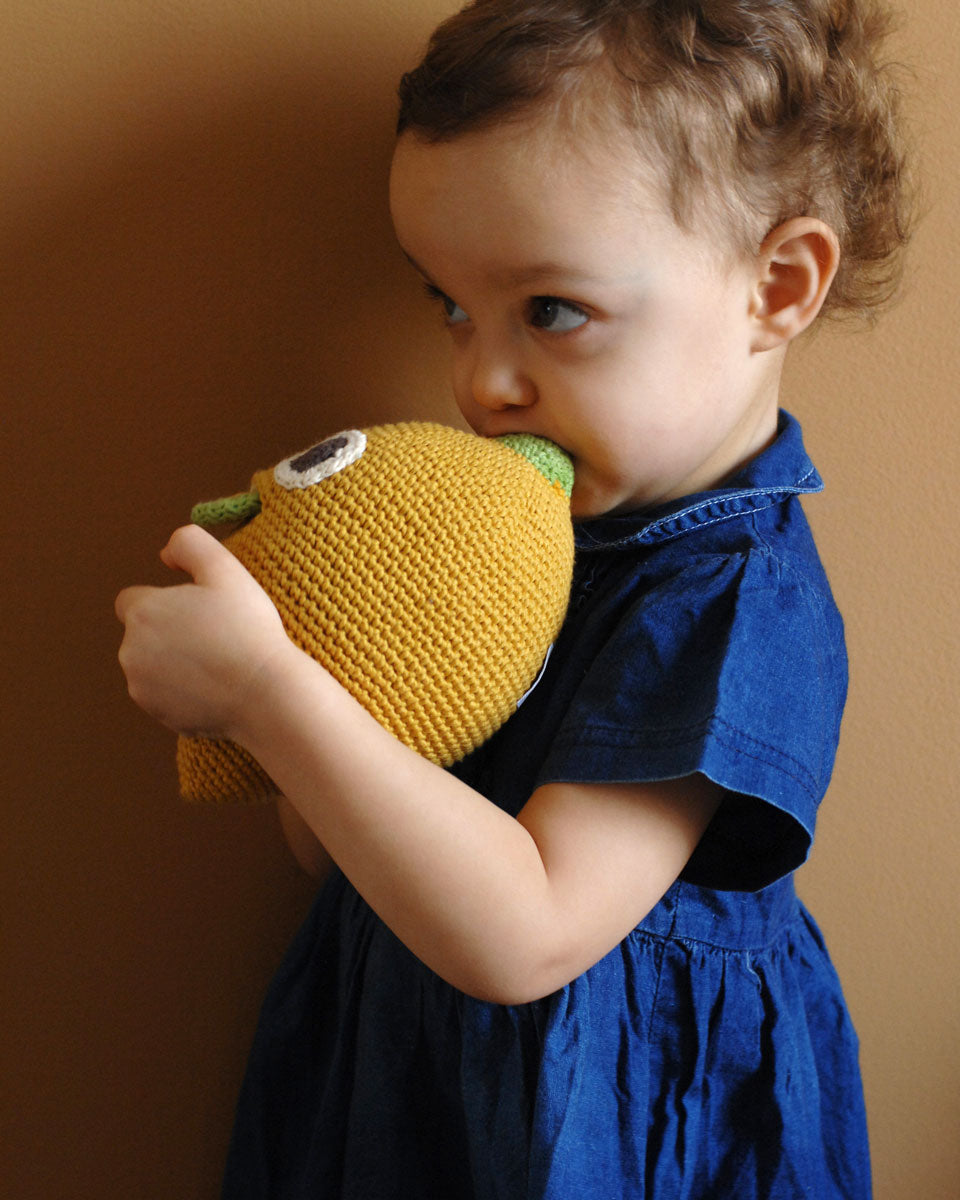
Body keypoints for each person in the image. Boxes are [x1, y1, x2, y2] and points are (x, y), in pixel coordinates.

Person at [115, 1, 913, 1195]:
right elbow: (334, 851)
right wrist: (322, 654)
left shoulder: (734, 597)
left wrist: (270, 693)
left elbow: (527, 933)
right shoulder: (507, 527)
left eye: (550, 311)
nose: (481, 382)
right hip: (398, 1063)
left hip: (609, 1109)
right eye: (449, 304)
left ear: (778, 285)